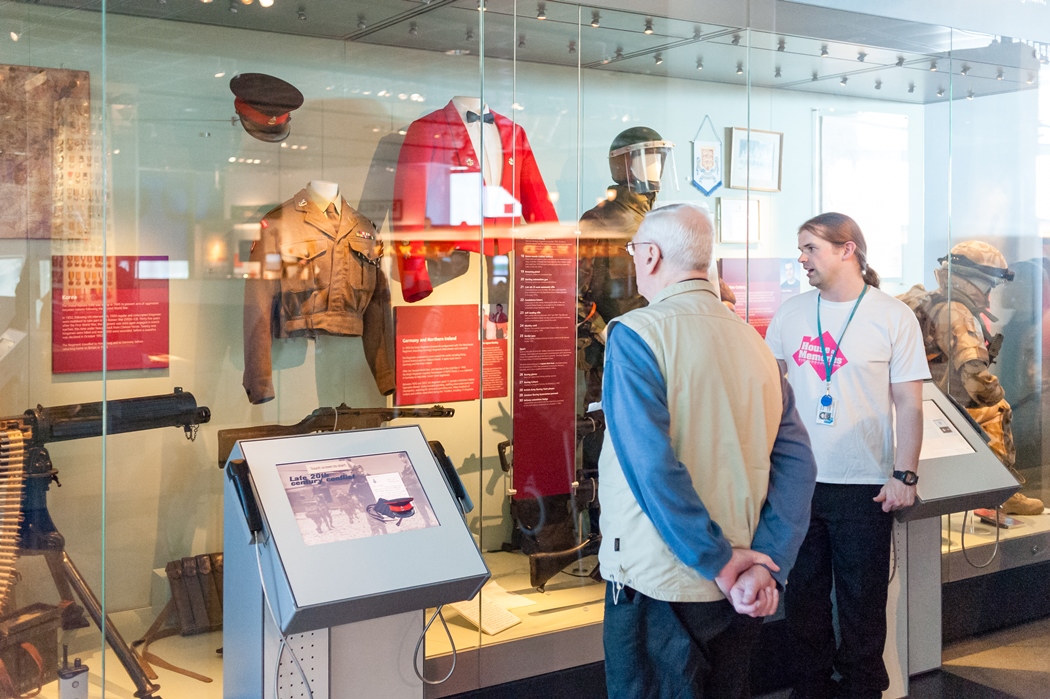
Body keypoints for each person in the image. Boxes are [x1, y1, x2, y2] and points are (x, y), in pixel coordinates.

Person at [599, 203, 817, 699]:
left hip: (660, 582)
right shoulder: (753, 342)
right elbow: (798, 463)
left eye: (635, 250)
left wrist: (717, 559)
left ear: (650, 255)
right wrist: (767, 563)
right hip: (738, 588)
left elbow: (652, 466)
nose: (635, 260)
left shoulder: (636, 336)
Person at [765, 212, 930, 699]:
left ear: (847, 250)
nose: (801, 259)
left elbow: (909, 404)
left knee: (862, 606)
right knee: (805, 605)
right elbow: (770, 395)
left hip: (866, 486)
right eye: (800, 249)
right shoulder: (791, 314)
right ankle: (809, 689)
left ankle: (863, 691)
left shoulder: (891, 315)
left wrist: (905, 475)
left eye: (810, 248)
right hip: (799, 483)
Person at [898, 241, 1044, 515]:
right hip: (940, 410)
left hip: (916, 404)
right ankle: (999, 492)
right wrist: (998, 393)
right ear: (974, 282)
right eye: (989, 287)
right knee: (996, 410)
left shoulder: (926, 301)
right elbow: (977, 382)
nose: (989, 295)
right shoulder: (959, 315)